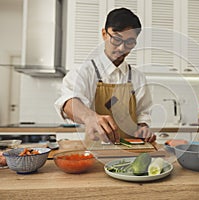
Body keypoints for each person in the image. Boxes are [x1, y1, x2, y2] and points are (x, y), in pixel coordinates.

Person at [55, 7, 156, 144]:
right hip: (94, 152)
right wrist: (89, 117)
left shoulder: (138, 78)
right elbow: (68, 102)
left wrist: (143, 128)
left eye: (130, 42)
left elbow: (143, 114)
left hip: (130, 153)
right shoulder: (84, 72)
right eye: (116, 39)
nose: (121, 48)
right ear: (104, 34)